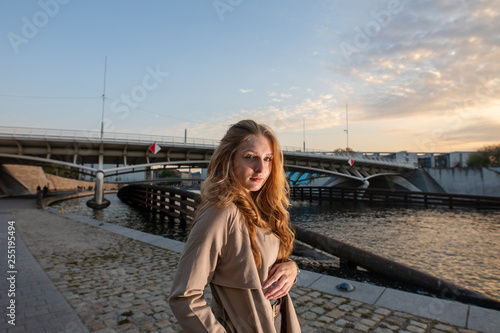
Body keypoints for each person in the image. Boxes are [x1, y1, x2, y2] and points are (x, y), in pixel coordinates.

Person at [169, 119, 301, 332]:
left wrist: (292, 269)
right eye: (250, 157)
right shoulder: (220, 213)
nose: (261, 168)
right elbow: (184, 297)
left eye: (268, 159)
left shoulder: (264, 207)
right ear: (229, 160)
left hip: (278, 322)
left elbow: (266, 266)